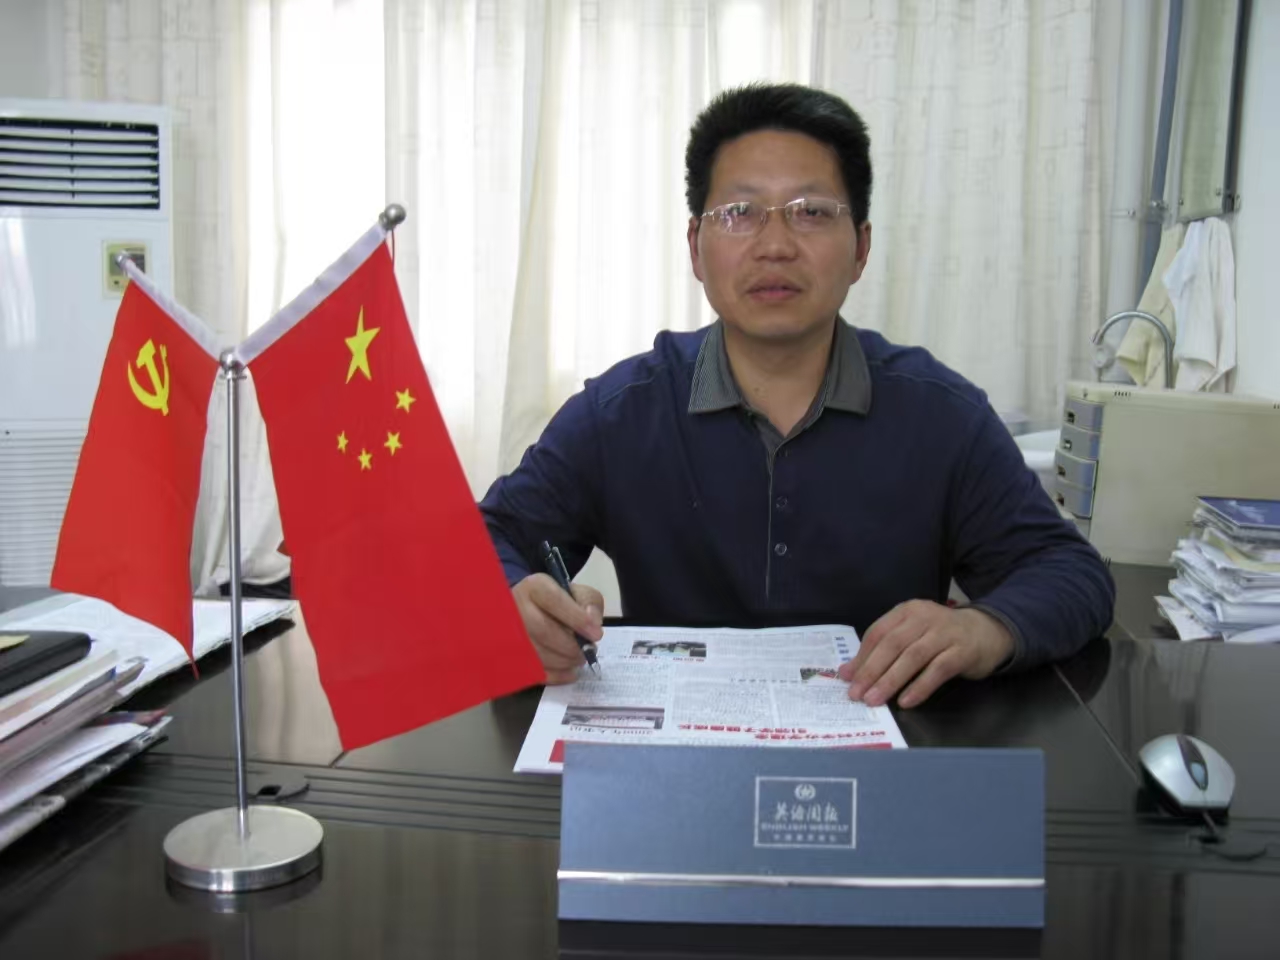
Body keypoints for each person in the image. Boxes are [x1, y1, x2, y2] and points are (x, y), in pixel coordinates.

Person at [479, 82, 1114, 708]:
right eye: (740, 212)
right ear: (696, 248)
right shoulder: (622, 412)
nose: (776, 245)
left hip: (880, 746)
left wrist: (984, 628)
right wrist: (513, 603)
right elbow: (486, 538)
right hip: (672, 750)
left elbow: (1070, 572)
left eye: (812, 212)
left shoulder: (940, 415)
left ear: (861, 248)